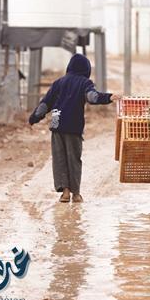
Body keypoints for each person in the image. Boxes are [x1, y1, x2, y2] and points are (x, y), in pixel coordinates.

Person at [28, 53, 119, 203]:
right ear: (86, 69)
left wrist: (33, 118)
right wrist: (108, 97)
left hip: (57, 124)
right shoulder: (85, 83)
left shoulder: (58, 83)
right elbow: (92, 97)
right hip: (73, 126)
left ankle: (65, 192)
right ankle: (76, 194)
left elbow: (45, 104)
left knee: (60, 159)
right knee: (74, 159)